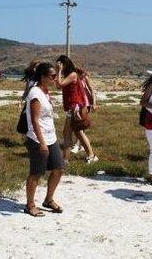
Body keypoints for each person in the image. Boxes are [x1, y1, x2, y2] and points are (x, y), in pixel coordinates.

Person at [24, 62, 65, 217]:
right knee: (36, 172)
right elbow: (34, 120)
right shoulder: (35, 93)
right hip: (37, 138)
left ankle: (48, 199)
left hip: (51, 137)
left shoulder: (45, 91)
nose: (55, 78)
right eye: (52, 76)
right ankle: (30, 205)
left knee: (58, 169)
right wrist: (41, 142)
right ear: (43, 77)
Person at [55, 55, 98, 164]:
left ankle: (66, 160)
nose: (59, 67)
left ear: (64, 65)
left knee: (68, 134)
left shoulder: (73, 75)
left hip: (75, 108)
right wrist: (59, 72)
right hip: (73, 107)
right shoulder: (69, 75)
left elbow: (59, 85)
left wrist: (59, 71)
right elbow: (58, 86)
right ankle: (90, 156)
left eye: (60, 65)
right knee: (76, 133)